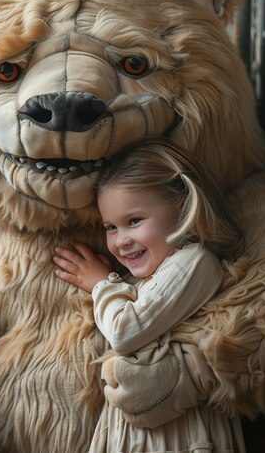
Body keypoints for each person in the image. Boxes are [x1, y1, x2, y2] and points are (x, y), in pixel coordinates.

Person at [53, 138, 246, 453]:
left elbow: (125, 332)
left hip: (179, 437)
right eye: (110, 227)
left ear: (183, 206)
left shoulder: (193, 261)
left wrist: (102, 284)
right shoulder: (151, 273)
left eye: (133, 221)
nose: (120, 241)